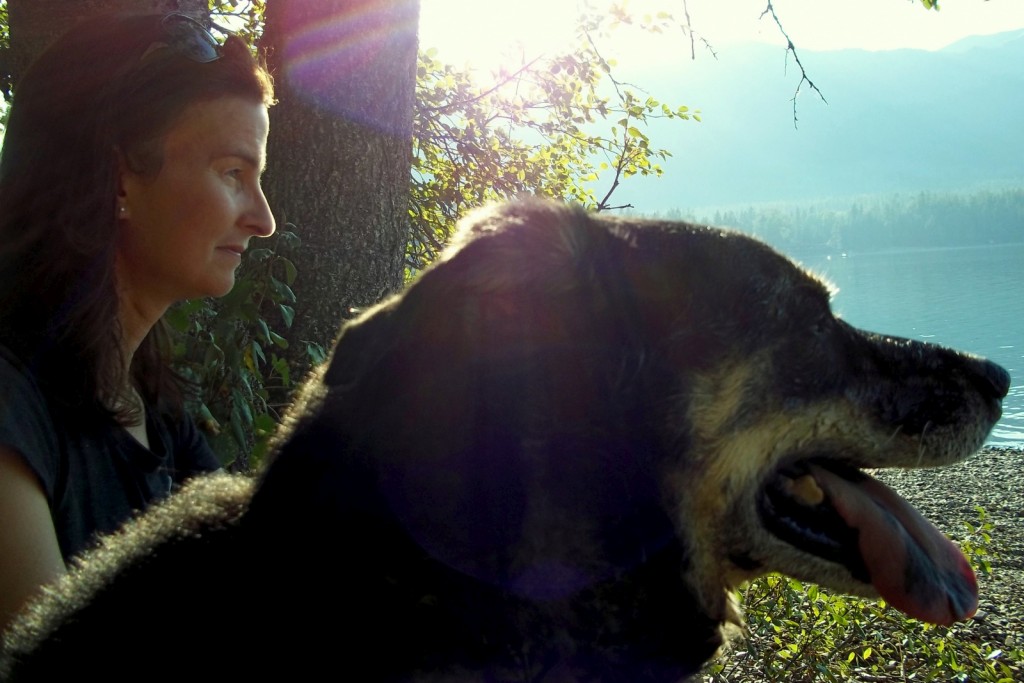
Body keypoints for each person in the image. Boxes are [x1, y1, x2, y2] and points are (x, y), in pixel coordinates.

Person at [0, 12, 276, 630]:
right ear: (119, 174)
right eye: (234, 173)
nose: (263, 219)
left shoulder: (156, 416)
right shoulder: (13, 410)